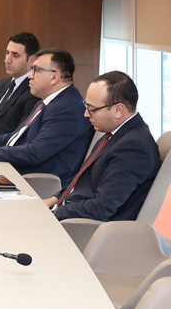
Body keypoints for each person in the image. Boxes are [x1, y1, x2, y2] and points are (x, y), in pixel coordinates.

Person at [0, 47, 93, 180]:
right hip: (17, 172)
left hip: (36, 182)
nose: (30, 76)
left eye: (35, 70)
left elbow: (34, 153)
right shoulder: (48, 102)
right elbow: (16, 138)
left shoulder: (68, 109)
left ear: (54, 77)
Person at [48, 71, 161, 221]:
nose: (86, 114)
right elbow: (83, 183)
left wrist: (54, 212)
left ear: (118, 110)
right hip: (72, 212)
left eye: (92, 109)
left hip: (85, 227)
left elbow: (100, 208)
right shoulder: (115, 134)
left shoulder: (133, 147)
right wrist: (54, 200)